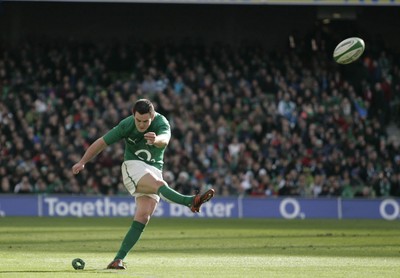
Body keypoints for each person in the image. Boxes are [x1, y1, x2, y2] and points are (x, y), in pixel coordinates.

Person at [72, 98, 215, 270]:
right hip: (132, 166)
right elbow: (102, 142)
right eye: (138, 120)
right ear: (133, 116)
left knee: (143, 217)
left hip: (154, 168)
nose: (141, 124)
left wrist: (155, 140)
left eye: (145, 121)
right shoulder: (127, 124)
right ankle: (190, 201)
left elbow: (165, 140)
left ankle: (118, 260)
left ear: (152, 117)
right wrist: (83, 161)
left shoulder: (162, 122)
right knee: (158, 184)